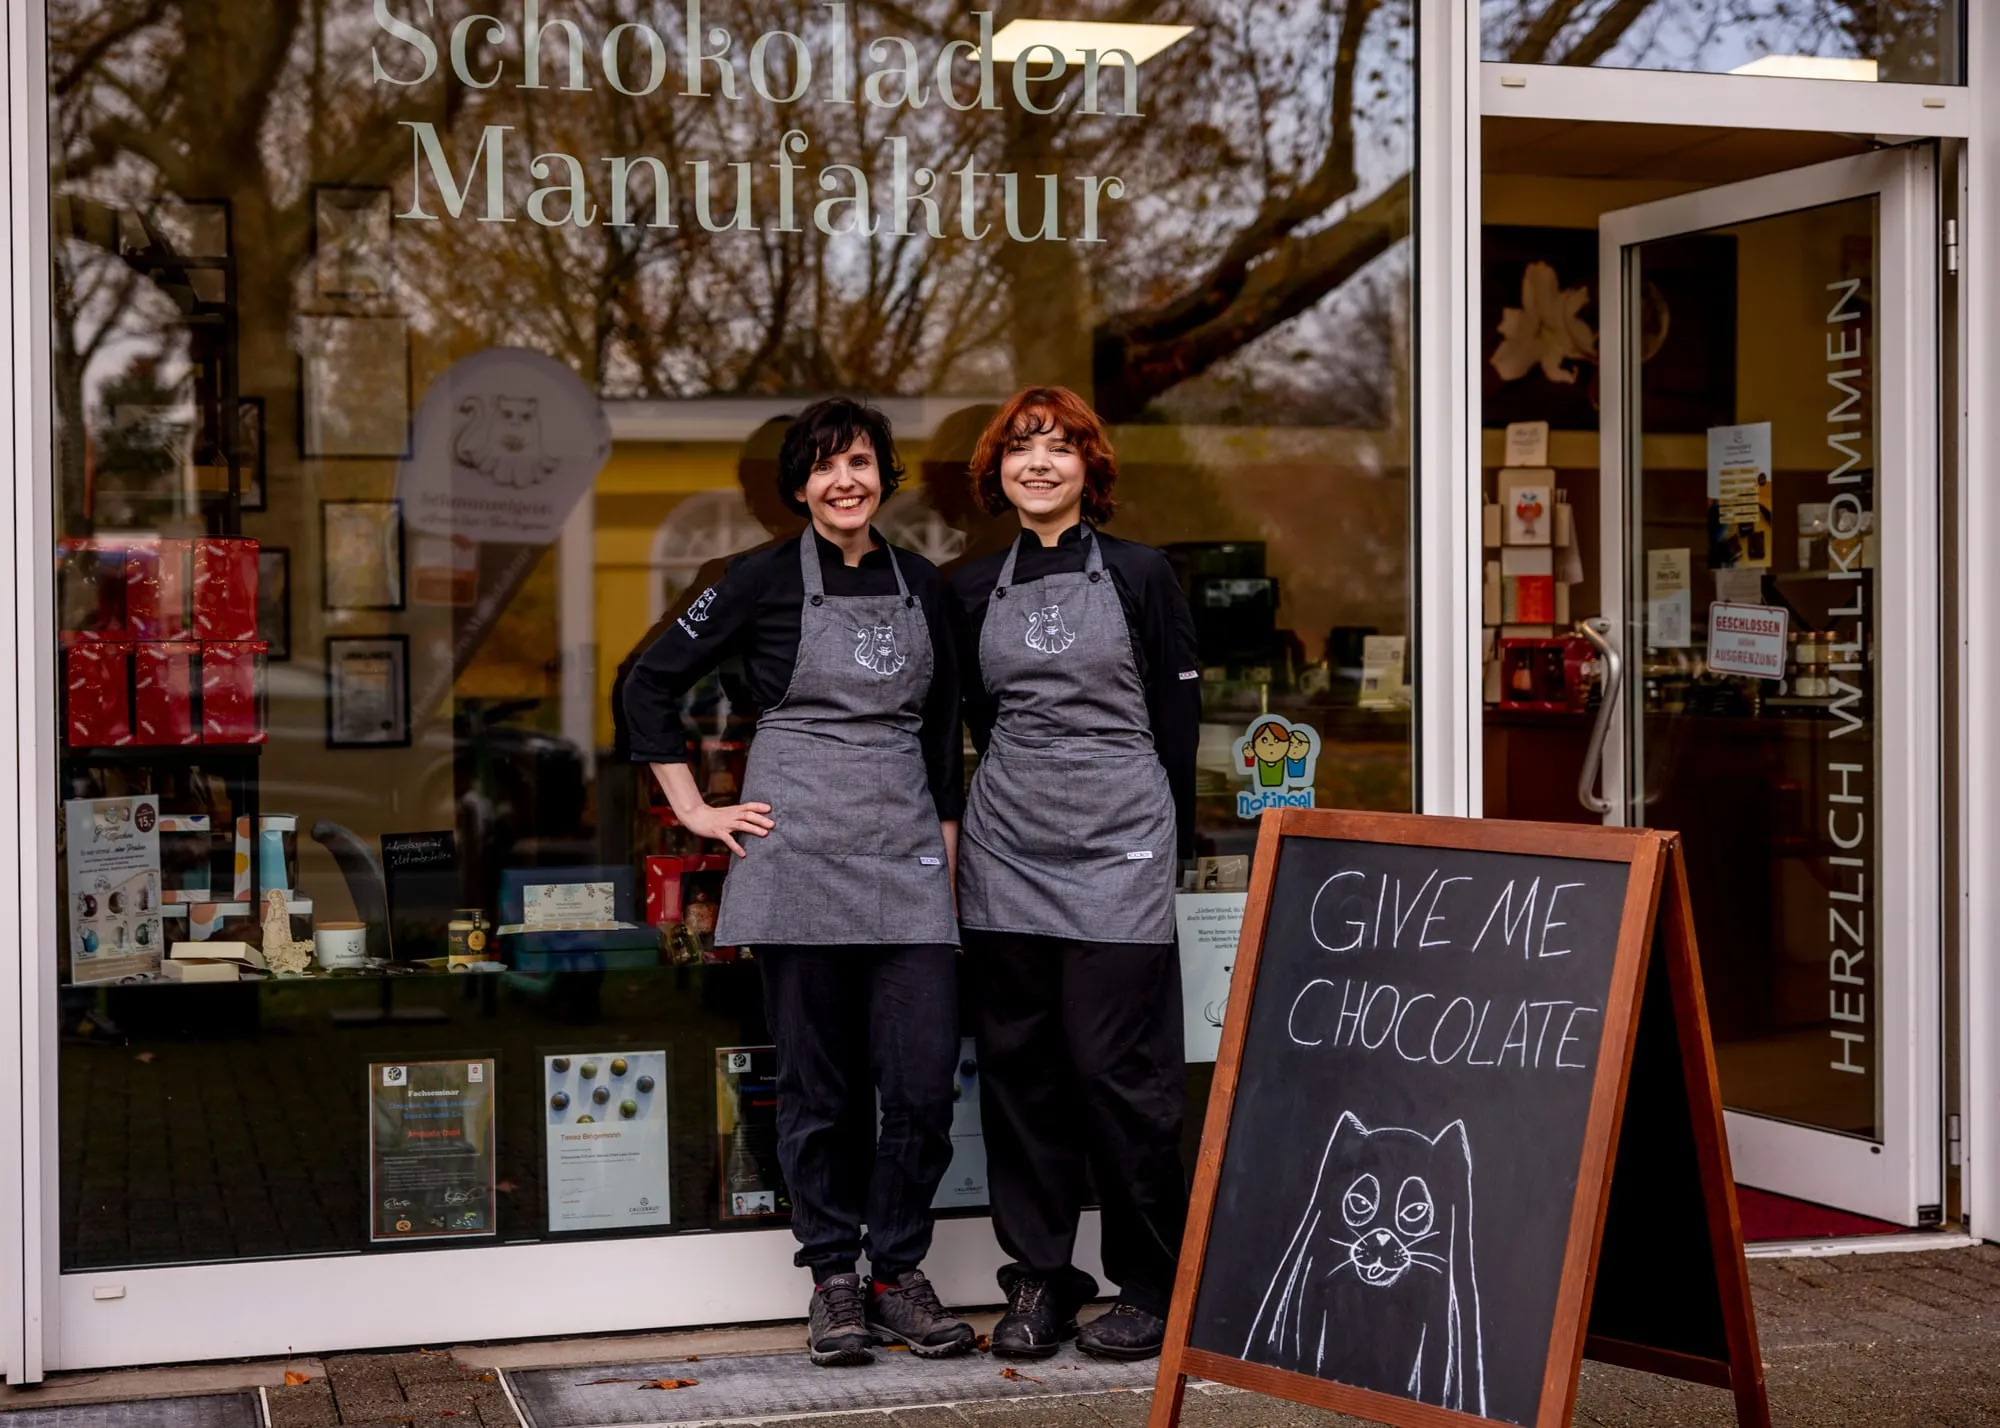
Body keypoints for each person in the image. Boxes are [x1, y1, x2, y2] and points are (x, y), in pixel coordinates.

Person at [623, 398, 973, 1368]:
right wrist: (696, 809)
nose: (843, 481)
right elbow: (644, 681)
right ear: (798, 486)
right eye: (822, 467)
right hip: (796, 853)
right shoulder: (755, 582)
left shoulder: (924, 587)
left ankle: (897, 1274)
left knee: (918, 1082)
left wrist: (943, 846)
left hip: (904, 855)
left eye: (859, 461)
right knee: (817, 1087)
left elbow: (942, 727)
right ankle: (831, 1280)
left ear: (883, 474)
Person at [949, 386, 1201, 1362]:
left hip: (1120, 849)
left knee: (1119, 1074)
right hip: (1007, 849)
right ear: (996, 471)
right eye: (1019, 448)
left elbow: (1175, 726)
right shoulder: (968, 589)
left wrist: (1171, 839)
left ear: (1089, 468)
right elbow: (970, 722)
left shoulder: (1143, 576)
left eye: (1057, 446)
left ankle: (1149, 1281)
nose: (1037, 462)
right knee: (1022, 1074)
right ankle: (1041, 1280)